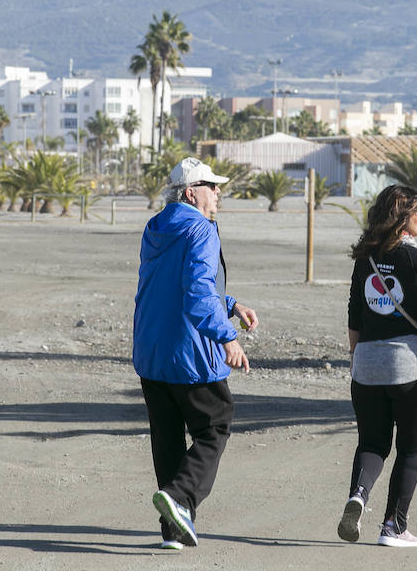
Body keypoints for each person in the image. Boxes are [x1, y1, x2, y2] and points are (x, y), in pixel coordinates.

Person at [133, 156, 258, 551]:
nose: (219, 191)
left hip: (152, 352)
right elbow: (197, 292)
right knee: (216, 422)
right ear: (191, 192)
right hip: (189, 352)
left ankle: (173, 529)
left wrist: (232, 303)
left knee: (167, 439)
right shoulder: (201, 230)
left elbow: (182, 281)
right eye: (211, 185)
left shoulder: (156, 227)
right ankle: (183, 498)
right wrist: (227, 338)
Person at [336, 184, 417, 548]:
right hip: (409, 369)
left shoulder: (365, 259)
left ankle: (358, 494)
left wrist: (358, 358)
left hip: (367, 367)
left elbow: (355, 315)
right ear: (404, 219)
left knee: (372, 443)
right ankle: (393, 526)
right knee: (410, 448)